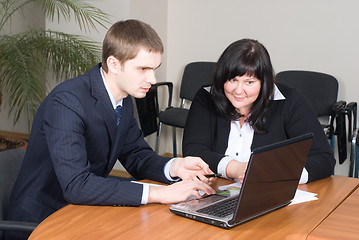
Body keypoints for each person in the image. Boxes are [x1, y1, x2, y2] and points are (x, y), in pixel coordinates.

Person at [6, 19, 216, 240]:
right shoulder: (67, 102)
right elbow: (76, 185)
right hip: (42, 222)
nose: (152, 80)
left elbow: (136, 156)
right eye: (143, 68)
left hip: (83, 211)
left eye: (154, 69)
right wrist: (160, 193)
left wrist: (175, 166)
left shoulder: (123, 98)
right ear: (114, 64)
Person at [182, 38, 336, 184]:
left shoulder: (290, 101)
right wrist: (236, 169)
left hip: (268, 193)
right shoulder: (207, 96)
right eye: (232, 80)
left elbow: (323, 158)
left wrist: (279, 175)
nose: (238, 90)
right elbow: (194, 152)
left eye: (249, 82)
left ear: (264, 82)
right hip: (214, 189)